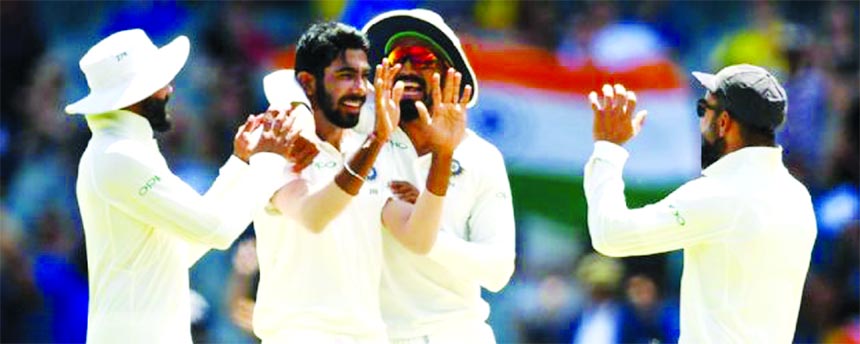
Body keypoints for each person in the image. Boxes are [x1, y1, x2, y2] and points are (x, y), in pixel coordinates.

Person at [67, 29, 312, 343]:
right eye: (158, 83)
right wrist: (270, 159)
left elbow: (180, 250)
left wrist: (242, 162)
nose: (169, 88)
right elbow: (218, 230)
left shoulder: (123, 149)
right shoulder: (118, 156)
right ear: (134, 96)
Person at [251, 21, 468, 342]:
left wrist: (443, 155)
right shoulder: (278, 143)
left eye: (364, 76)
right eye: (345, 76)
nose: (360, 88)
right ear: (308, 83)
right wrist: (378, 139)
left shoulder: (366, 151)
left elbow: (419, 238)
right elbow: (313, 215)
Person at [583, 64, 817, 342]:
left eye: (703, 109)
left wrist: (608, 149)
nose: (700, 120)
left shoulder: (719, 195)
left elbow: (609, 234)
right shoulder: (798, 196)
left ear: (723, 123)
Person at [362, 9, 516, 343]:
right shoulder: (361, 145)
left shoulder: (481, 156)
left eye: (421, 58)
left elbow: (498, 270)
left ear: (452, 74)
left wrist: (425, 228)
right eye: (397, 58)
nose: (406, 70)